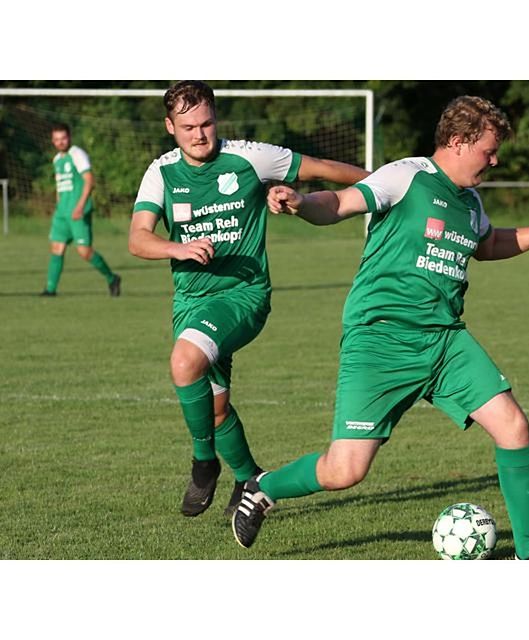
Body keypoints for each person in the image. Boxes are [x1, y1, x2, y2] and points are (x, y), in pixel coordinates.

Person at [230, 95, 529, 559]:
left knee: (513, 425)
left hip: (445, 340)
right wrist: (300, 201)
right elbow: (337, 203)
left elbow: (489, 243)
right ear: (457, 142)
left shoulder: (469, 200)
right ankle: (264, 487)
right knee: (345, 470)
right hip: (381, 339)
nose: (495, 160)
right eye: (488, 150)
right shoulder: (406, 176)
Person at [128, 81, 369, 518]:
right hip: (191, 301)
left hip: (244, 294)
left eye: (206, 124)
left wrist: (386, 185)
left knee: (184, 362)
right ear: (170, 127)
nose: (200, 135)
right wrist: (176, 247)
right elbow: (138, 239)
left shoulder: (250, 156)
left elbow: (321, 169)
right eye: (188, 128)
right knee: (213, 408)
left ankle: (204, 466)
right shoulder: (160, 173)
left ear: (216, 119)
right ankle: (248, 477)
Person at [41, 123, 121, 297]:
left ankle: (112, 278)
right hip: (62, 213)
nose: (60, 142)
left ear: (69, 137)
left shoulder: (77, 154)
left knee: (84, 252)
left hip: (78, 212)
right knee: (56, 248)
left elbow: (89, 180)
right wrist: (58, 206)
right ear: (52, 141)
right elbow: (60, 186)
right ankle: (50, 290)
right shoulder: (57, 160)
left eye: (63, 138)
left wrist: (80, 206)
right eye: (56, 139)